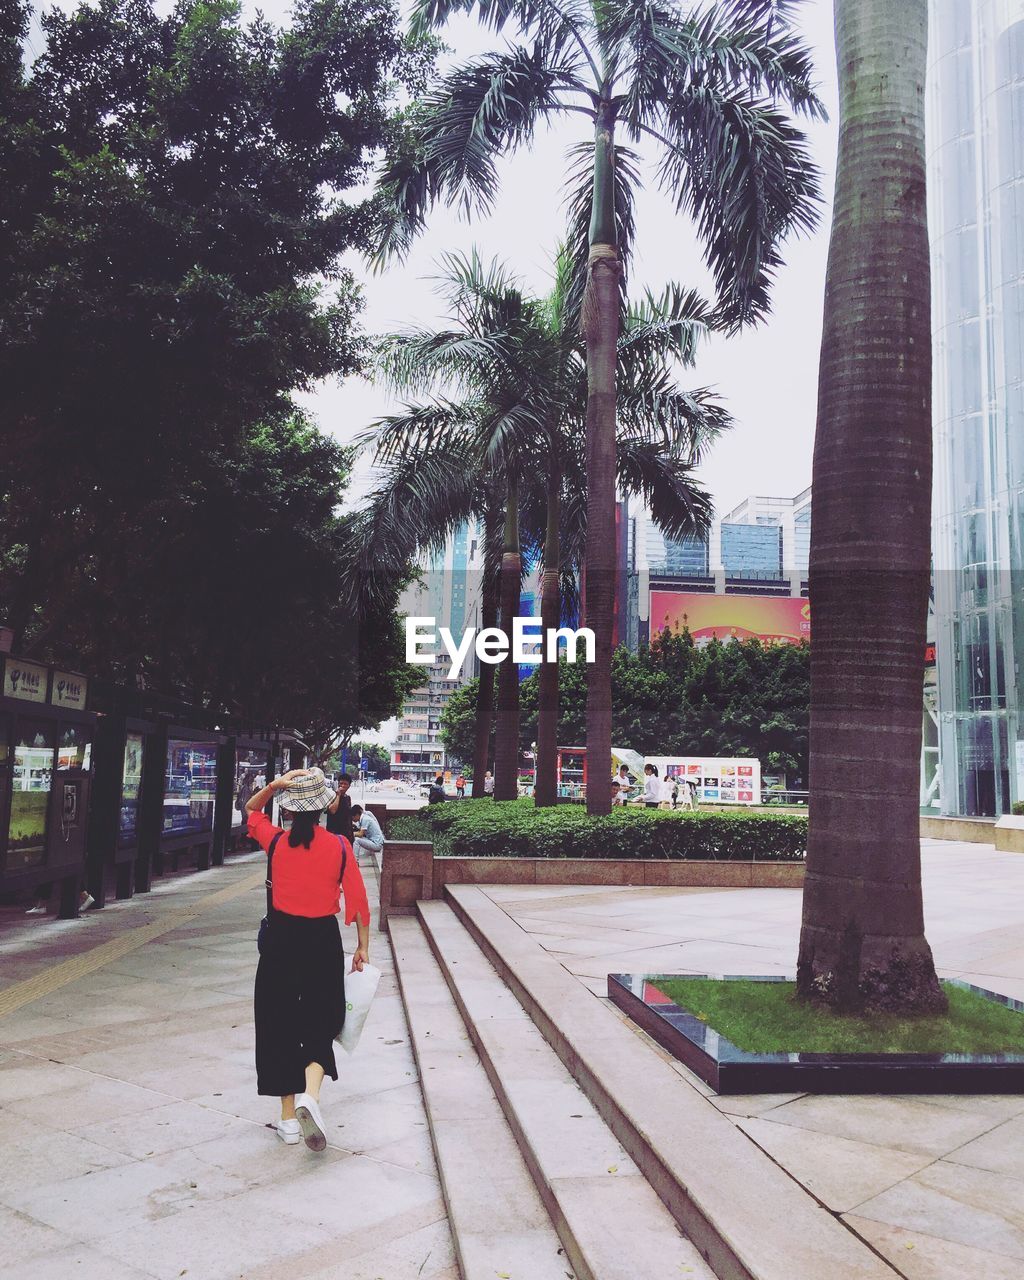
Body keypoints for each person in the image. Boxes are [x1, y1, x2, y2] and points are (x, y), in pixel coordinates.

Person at [245, 767, 370, 1152]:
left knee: (278, 1021)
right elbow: (359, 902)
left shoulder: (277, 842)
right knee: (323, 1016)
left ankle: (287, 1121)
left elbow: (251, 813)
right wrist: (363, 947)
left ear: (290, 808)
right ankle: (310, 1095)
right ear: (322, 808)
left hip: (281, 940)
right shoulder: (338, 846)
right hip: (321, 940)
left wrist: (275, 785)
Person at [325, 772, 354, 845]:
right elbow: (332, 810)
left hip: (346, 834)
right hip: (334, 833)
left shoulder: (347, 798)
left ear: (349, 786)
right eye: (341, 783)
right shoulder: (332, 796)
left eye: (345, 784)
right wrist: (338, 795)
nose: (342, 786)